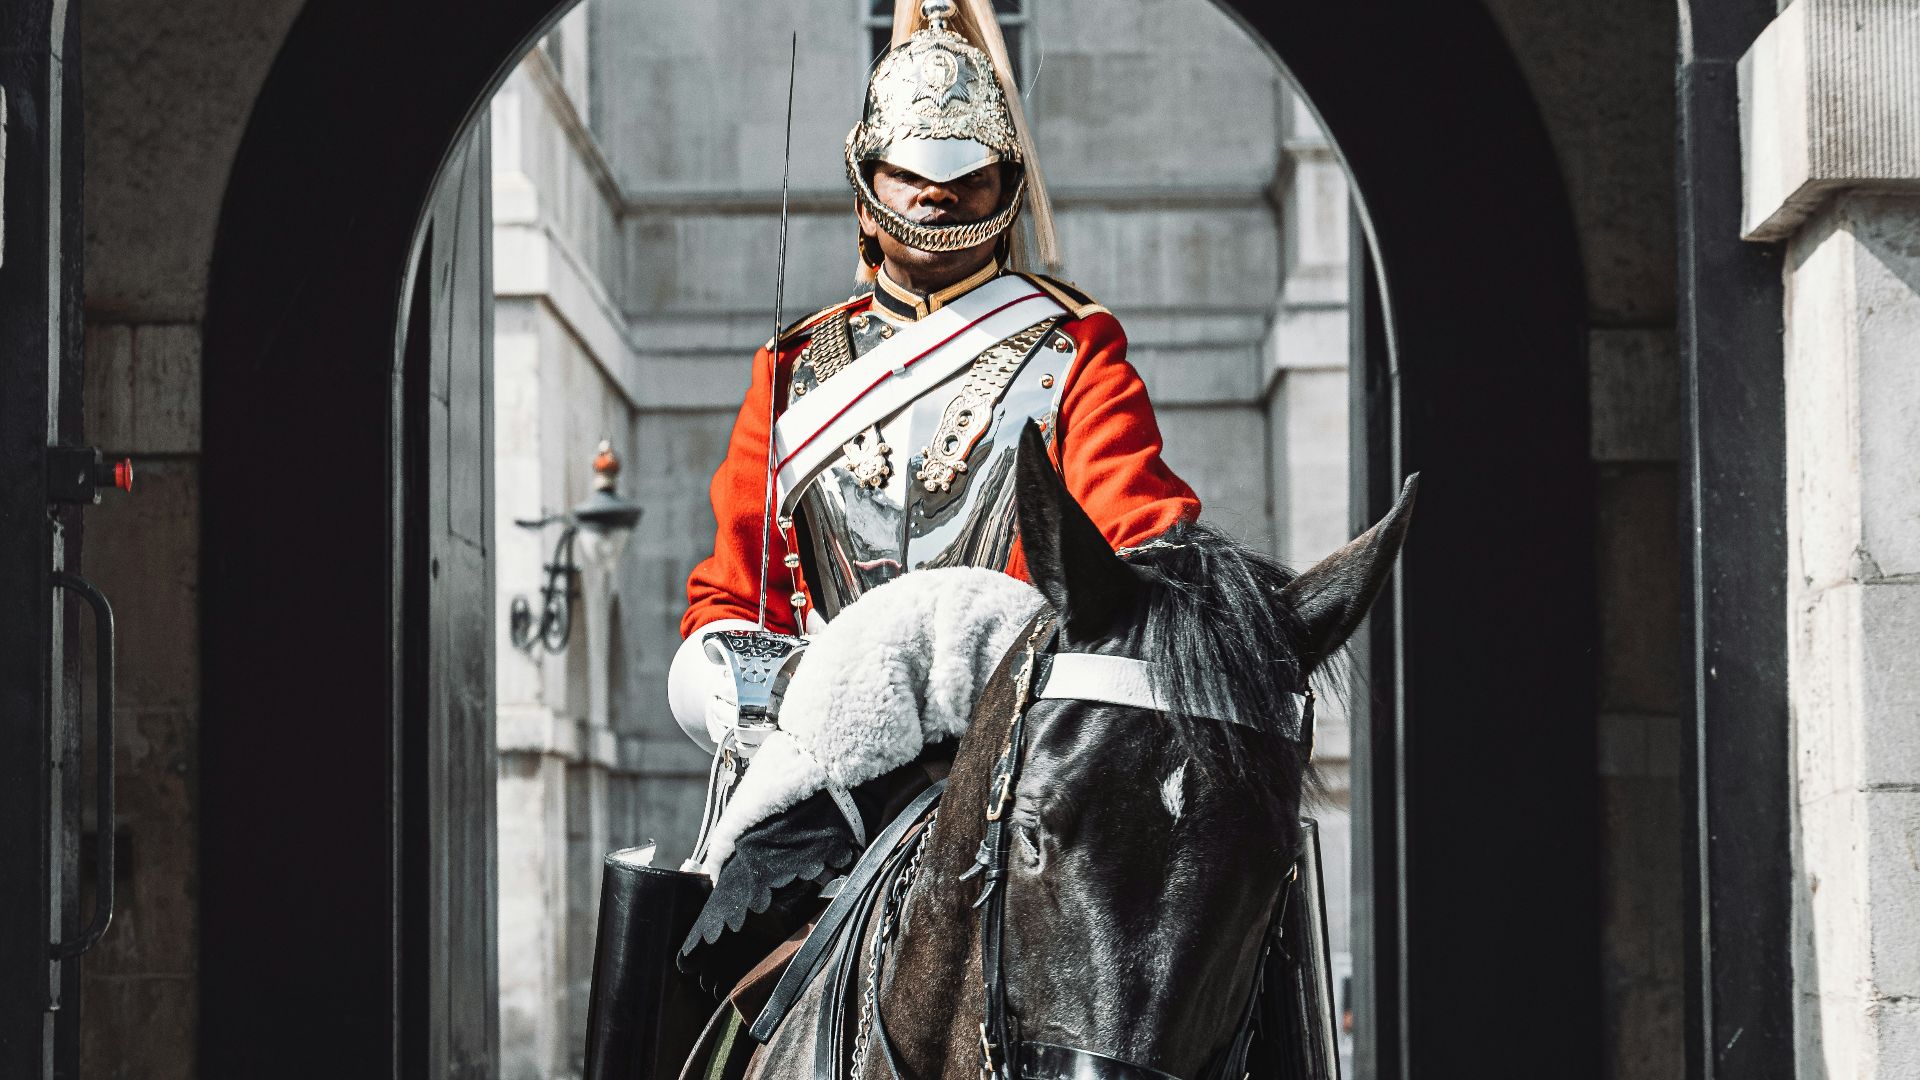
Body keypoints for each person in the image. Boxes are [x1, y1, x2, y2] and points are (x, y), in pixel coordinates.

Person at [665, 0, 1200, 1004]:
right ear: (868, 190)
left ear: (1005, 182)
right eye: (914, 174)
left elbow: (1140, 550)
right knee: (680, 963)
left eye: (966, 176)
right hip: (829, 772)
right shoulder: (793, 372)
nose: (940, 197)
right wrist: (764, 695)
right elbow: (730, 601)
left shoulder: (1073, 353)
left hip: (1026, 765)